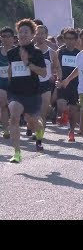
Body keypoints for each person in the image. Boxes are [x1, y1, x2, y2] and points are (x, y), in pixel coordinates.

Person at [7, 19, 47, 163]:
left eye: (26, 32)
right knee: (14, 116)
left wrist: (27, 63)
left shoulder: (36, 53)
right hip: (15, 93)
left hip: (32, 94)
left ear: (32, 35)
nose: (23, 34)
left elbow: (43, 73)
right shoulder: (11, 52)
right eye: (20, 31)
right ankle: (17, 152)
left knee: (32, 122)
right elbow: (11, 69)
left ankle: (40, 131)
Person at [56, 28, 80, 142]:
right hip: (62, 83)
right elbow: (56, 67)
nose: (69, 41)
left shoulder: (79, 53)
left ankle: (71, 131)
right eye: (67, 38)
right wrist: (58, 79)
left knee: (74, 110)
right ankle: (64, 114)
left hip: (76, 85)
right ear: (64, 39)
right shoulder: (60, 52)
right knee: (61, 105)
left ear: (76, 40)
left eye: (72, 39)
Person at [0, 27, 15, 139]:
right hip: (1, 84)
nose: (5, 39)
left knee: (15, 108)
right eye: (3, 36)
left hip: (16, 85)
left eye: (8, 36)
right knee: (4, 105)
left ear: (13, 38)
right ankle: (6, 130)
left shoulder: (18, 51)